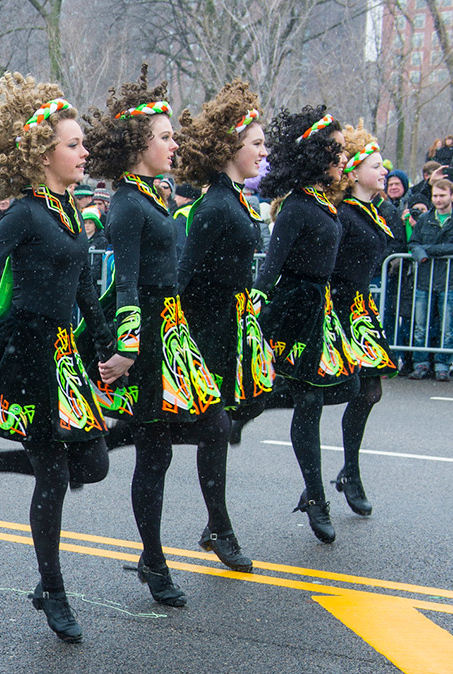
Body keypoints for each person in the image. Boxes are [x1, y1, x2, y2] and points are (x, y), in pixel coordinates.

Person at [0, 75, 111, 642]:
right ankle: (52, 589)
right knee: (54, 473)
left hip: (62, 355)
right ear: (44, 153)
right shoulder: (25, 214)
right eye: (74, 144)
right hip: (26, 354)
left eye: (83, 144)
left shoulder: (71, 212)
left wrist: (107, 348)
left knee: (93, 464)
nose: (84, 153)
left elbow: (83, 290)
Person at [81, 67, 221, 604]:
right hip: (152, 330)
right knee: (154, 452)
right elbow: (127, 283)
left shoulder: (154, 194)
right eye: (165, 136)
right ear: (140, 143)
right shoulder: (129, 202)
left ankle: (155, 553)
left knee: (203, 427)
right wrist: (128, 349)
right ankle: (154, 558)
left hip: (172, 325)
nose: (174, 143)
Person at [170, 79, 274, 569]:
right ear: (232, 147)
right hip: (204, 328)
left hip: (230, 327)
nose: (263, 151)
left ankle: (217, 525)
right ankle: (220, 527)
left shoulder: (233, 199)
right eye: (256, 143)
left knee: (217, 424)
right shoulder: (214, 204)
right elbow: (184, 274)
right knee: (208, 427)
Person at [254, 108, 353, 543]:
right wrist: (255, 312)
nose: (344, 158)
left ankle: (271, 401)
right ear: (317, 154)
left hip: (320, 308)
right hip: (294, 311)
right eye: (338, 150)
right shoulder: (296, 205)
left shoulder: (322, 201)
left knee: (346, 388)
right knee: (310, 403)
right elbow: (271, 268)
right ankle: (316, 495)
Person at [327, 124, 398, 517]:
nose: (384, 170)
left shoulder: (375, 210)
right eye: (376, 165)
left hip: (360, 309)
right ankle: (241, 417)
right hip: (338, 308)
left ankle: (350, 472)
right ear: (353, 172)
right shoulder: (342, 215)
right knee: (321, 391)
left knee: (368, 392)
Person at [407, 179, 453, 380]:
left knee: (447, 327)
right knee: (420, 326)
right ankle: (421, 363)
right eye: (435, 196)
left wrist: (431, 251)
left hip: (450, 279)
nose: (437, 199)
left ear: (452, 195)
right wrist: (421, 253)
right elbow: (413, 243)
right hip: (425, 278)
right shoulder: (425, 218)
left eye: (442, 195)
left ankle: (443, 365)